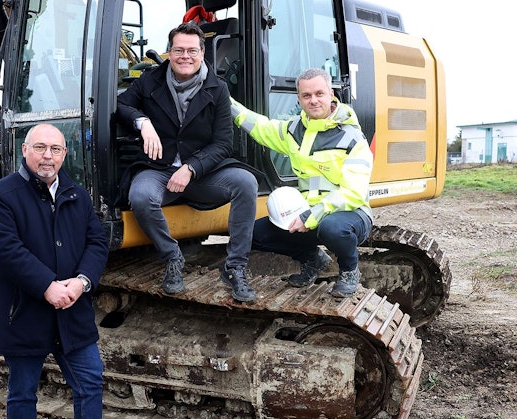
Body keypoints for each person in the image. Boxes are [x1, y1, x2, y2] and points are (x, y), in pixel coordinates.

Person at [0, 123, 142, 419]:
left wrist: (82, 282)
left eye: (55, 149)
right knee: (23, 393)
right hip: (25, 312)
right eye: (40, 147)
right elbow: (5, 249)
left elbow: (96, 241)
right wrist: (47, 286)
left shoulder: (76, 194)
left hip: (72, 310)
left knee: (89, 382)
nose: (48, 156)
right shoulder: (1, 195)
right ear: (24, 150)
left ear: (65, 154)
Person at [116, 21, 258, 303]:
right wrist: (142, 122)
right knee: (141, 196)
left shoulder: (218, 89)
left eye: (192, 51)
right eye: (179, 50)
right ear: (169, 52)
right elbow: (121, 104)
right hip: (159, 170)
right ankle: (172, 256)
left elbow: (223, 143)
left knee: (246, 183)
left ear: (202, 53)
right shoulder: (150, 81)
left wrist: (191, 167)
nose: (185, 56)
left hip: (202, 174)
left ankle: (236, 266)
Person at [231, 67, 373, 298]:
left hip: (350, 214)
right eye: (306, 95)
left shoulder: (352, 138)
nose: (313, 100)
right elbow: (261, 126)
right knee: (253, 234)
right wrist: (226, 102)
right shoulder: (294, 130)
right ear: (299, 99)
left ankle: (349, 271)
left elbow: (353, 193)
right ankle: (313, 258)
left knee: (332, 228)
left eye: (319, 94)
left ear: (331, 94)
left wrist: (312, 216)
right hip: (309, 212)